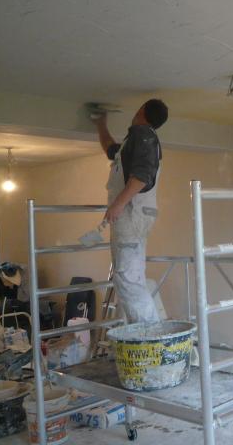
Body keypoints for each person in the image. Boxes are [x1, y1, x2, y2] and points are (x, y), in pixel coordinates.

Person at [92, 99, 168, 323]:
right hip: (133, 213)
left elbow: (142, 176)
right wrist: (101, 125)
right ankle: (145, 331)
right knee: (129, 275)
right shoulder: (134, 141)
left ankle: (149, 334)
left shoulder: (143, 135)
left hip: (132, 212)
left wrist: (118, 204)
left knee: (127, 277)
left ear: (141, 110)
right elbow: (111, 150)